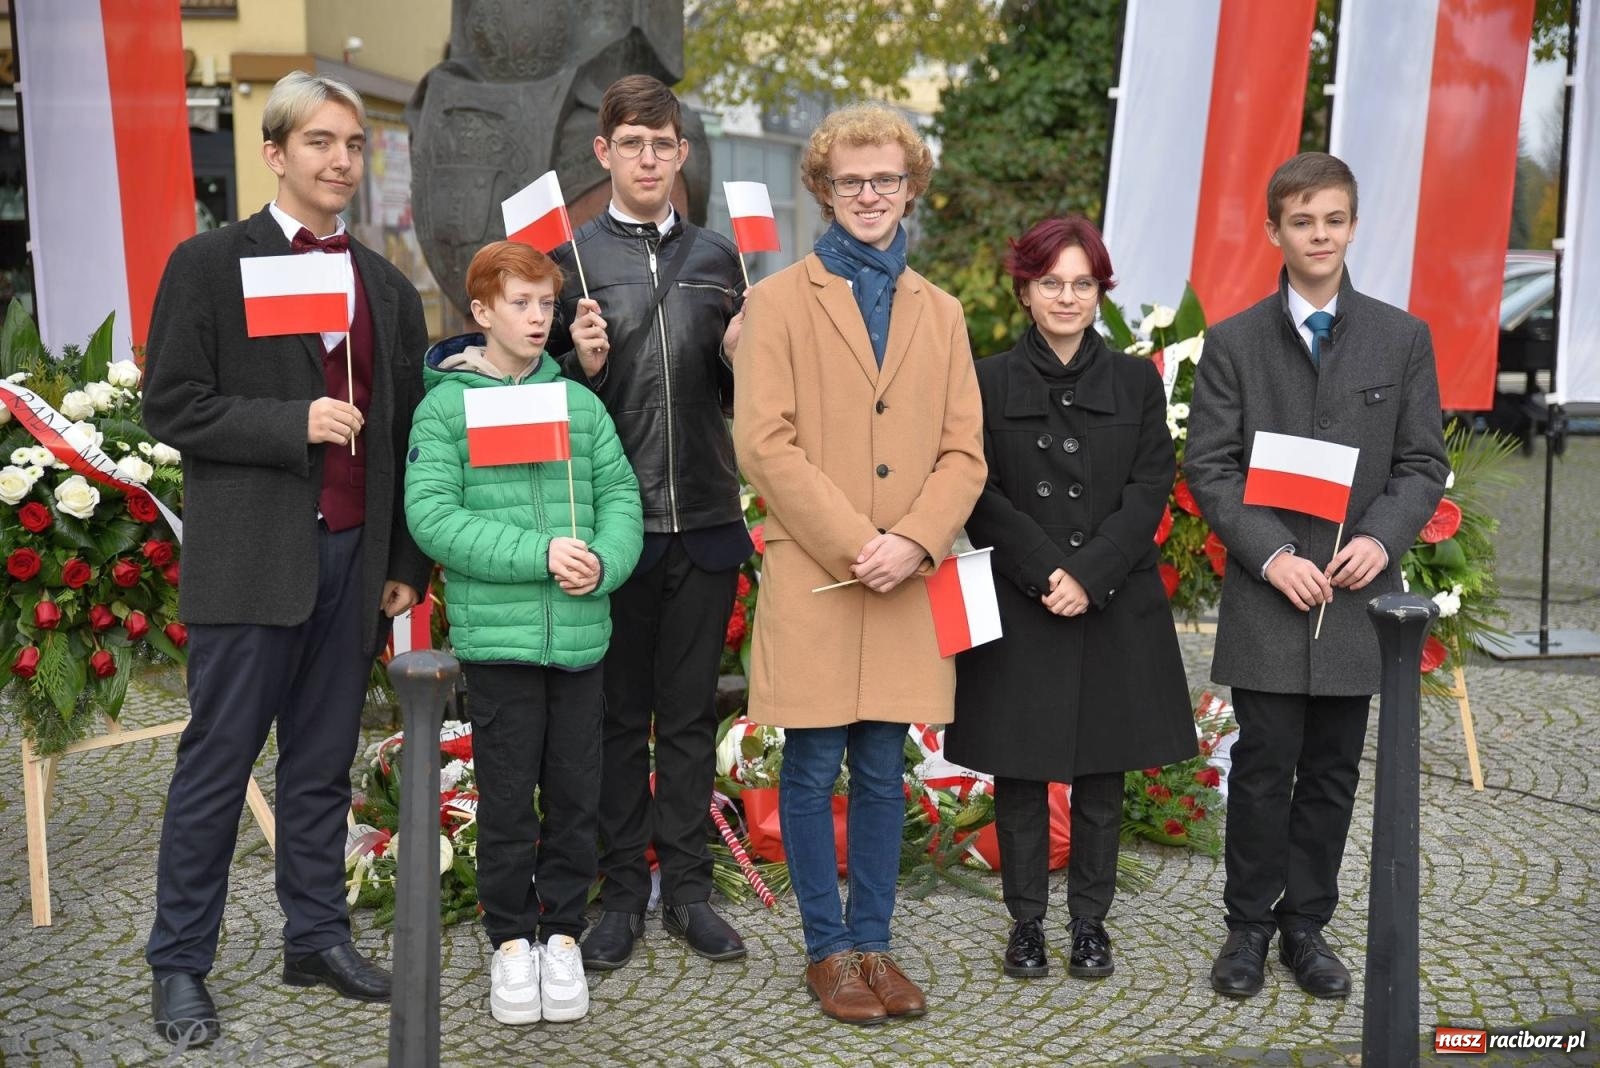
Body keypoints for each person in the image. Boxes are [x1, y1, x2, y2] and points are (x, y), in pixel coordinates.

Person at [140, 71, 432, 1046]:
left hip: (355, 563)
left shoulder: (385, 286)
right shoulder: (209, 263)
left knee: (320, 768)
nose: (340, 159)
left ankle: (315, 938)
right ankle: (180, 963)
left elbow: (404, 433)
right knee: (217, 767)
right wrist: (290, 422)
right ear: (273, 152)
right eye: (319, 141)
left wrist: (403, 561)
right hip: (251, 559)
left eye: (351, 143)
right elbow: (170, 405)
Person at [732, 103, 986, 1026]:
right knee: (811, 769)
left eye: (886, 179)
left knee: (884, 768)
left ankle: (875, 944)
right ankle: (828, 953)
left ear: (910, 187)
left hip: (909, 573)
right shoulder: (776, 302)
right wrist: (857, 542)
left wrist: (914, 539)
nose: (870, 194)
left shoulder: (942, 312)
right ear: (824, 190)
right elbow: (764, 444)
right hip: (818, 569)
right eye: (851, 181)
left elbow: (965, 453)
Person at [1185, 152, 1447, 1000]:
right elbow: (1210, 466)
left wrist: (1380, 537)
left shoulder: (1402, 338)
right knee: (1264, 767)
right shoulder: (1233, 343)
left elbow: (1421, 463)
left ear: (1354, 227)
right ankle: (1247, 928)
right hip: (1271, 593)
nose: (1320, 235)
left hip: (1355, 594)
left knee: (1334, 771)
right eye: (1302, 221)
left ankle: (1306, 927)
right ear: (1275, 231)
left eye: (1334, 220)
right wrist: (1271, 554)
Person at [943, 216, 1196, 982]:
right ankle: (1026, 924)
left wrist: (1090, 575)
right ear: (1024, 290)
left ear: (1099, 292)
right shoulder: (984, 380)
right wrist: (1046, 570)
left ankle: (1090, 923)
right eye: (1051, 282)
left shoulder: (1134, 380)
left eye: (1082, 283)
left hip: (1111, 599)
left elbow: (1150, 485)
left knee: (1101, 774)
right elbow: (974, 485)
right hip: (1022, 598)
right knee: (1020, 773)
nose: (1067, 297)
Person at [405, 241, 642, 1025]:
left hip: (579, 636)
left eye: (547, 304)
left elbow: (620, 499)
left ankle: (562, 934)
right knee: (507, 799)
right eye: (520, 303)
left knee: (576, 795)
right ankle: (510, 939)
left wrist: (603, 562)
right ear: (481, 311)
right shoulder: (446, 409)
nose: (539, 319)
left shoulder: (578, 403)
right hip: (498, 642)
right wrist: (540, 554)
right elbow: (434, 518)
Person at [547, 74, 752, 969]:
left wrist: (743, 357)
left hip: (704, 517)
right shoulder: (568, 263)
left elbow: (739, 400)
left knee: (692, 717)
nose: (647, 159)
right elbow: (545, 406)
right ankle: (624, 894)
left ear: (681, 154)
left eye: (662, 145)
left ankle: (691, 892)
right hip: (615, 528)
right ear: (604, 152)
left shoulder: (719, 259)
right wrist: (580, 363)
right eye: (631, 143)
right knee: (620, 721)